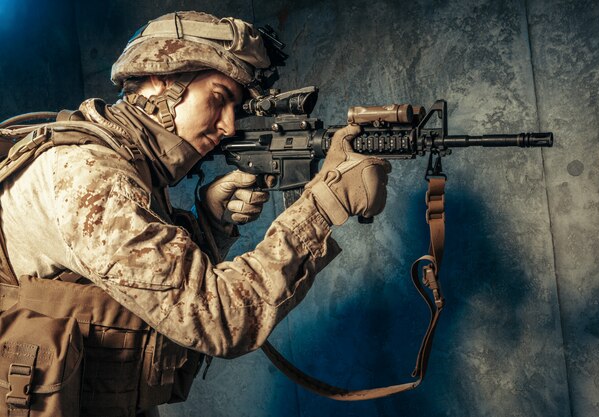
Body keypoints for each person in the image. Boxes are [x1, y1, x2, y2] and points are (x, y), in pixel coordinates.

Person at [0, 11, 391, 417]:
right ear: (158, 80)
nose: (227, 126)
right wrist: (325, 205)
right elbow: (220, 318)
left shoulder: (128, 166)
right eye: (218, 99)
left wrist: (210, 221)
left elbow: (132, 298)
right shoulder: (87, 176)